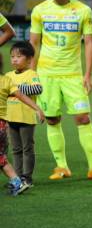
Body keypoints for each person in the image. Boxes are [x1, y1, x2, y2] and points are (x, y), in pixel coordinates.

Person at [29, 0, 92, 181]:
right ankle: (61, 166)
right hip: (47, 75)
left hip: (73, 75)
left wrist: (88, 74)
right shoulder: (40, 11)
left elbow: (90, 44)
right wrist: (31, 74)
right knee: (52, 119)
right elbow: (33, 44)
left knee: (83, 118)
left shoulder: (83, 10)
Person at [0, 51, 45, 196]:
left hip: (25, 118)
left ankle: (25, 178)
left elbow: (37, 89)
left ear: (29, 59)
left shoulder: (30, 74)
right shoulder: (7, 77)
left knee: (27, 149)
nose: (14, 59)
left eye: (18, 56)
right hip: (9, 118)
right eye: (12, 56)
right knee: (15, 150)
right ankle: (17, 178)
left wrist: (16, 88)